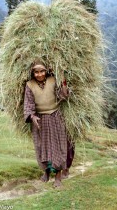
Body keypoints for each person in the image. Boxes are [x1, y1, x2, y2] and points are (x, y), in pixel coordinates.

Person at [24, 59, 74, 187]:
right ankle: (46, 172)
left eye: (42, 71)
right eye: (36, 72)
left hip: (56, 117)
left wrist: (63, 83)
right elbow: (28, 104)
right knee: (42, 147)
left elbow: (62, 97)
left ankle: (58, 177)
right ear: (32, 73)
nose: (39, 74)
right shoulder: (29, 85)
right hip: (39, 121)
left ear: (46, 71)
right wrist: (32, 116)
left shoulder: (53, 80)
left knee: (58, 147)